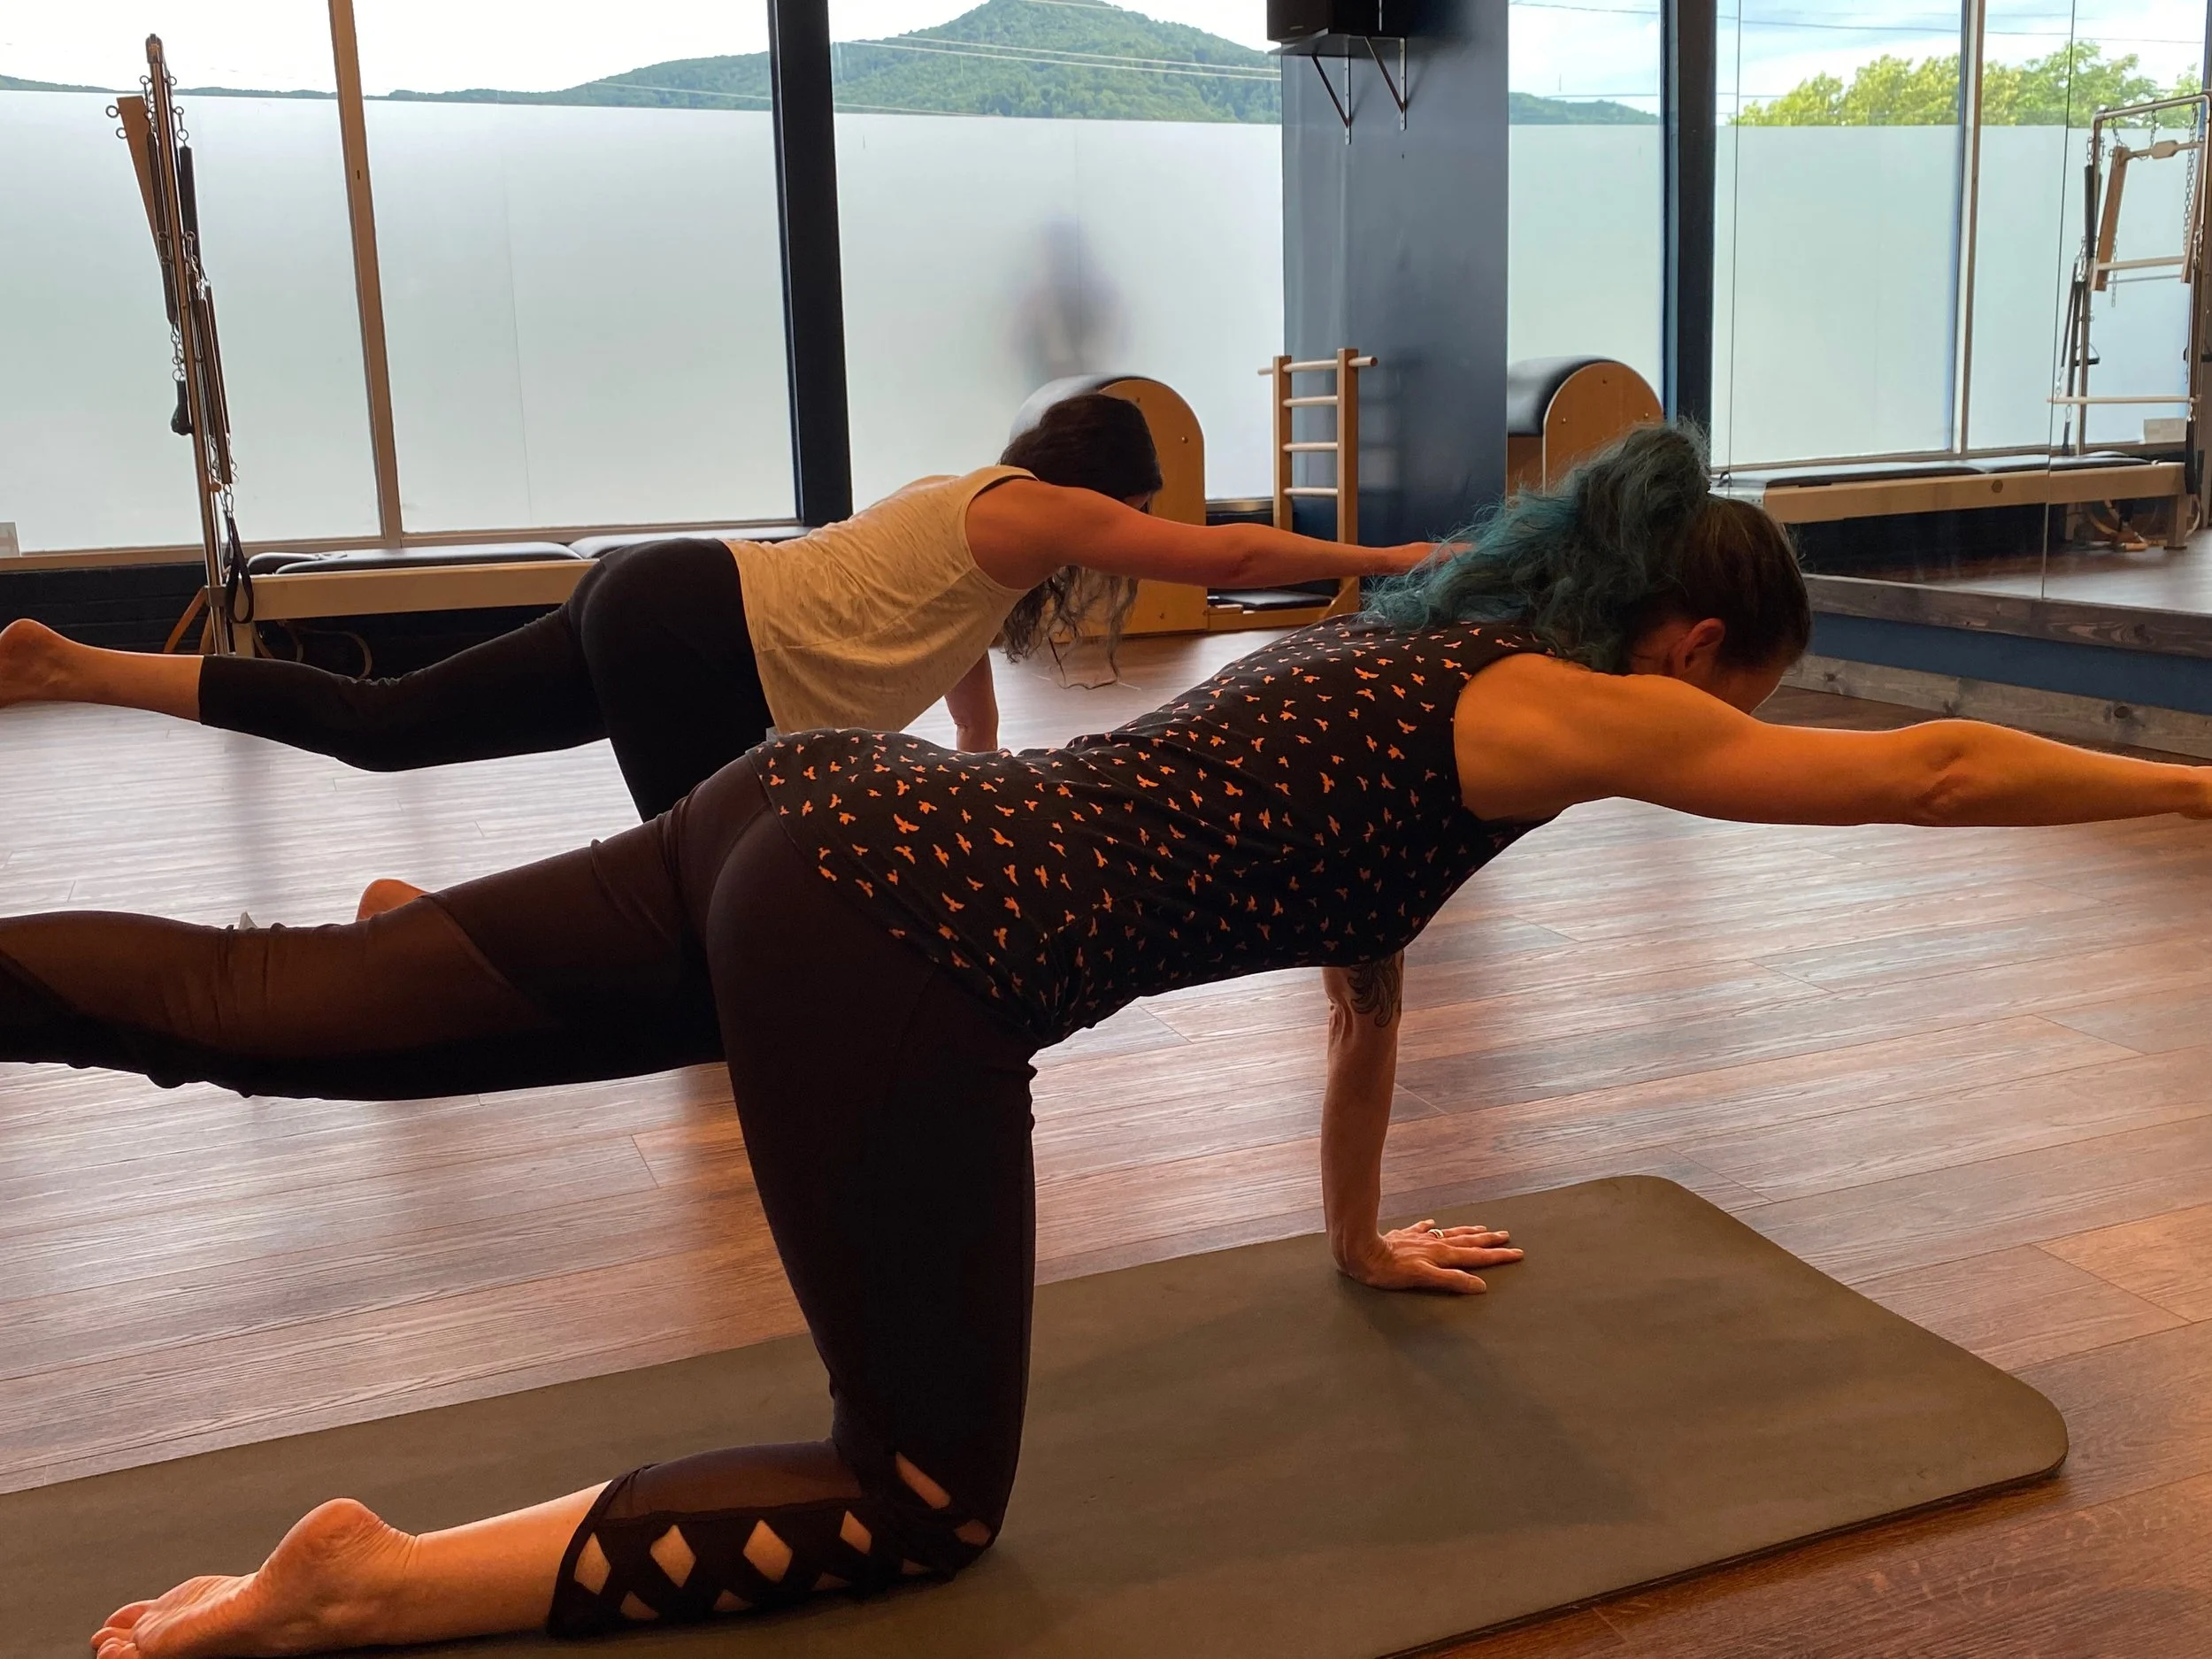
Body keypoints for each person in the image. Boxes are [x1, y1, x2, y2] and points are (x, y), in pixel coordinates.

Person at [13, 426, 2206, 1658]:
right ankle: (368, 1581)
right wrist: (2195, 791)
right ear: (1692, 642)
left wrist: (1352, 1243)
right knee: (919, 1498)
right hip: (908, 934)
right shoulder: (1559, 706)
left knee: (273, 1006)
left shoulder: (1398, 663)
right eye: (1719, 696)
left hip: (799, 812)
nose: (1703, 740)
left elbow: (1364, 986)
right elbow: (1919, 775)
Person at [0, 394, 1429, 825]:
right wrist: (1383, 565)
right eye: (1135, 507)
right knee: (704, 889)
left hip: (670, 591)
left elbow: (955, 667)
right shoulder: (1033, 509)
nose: (1130, 535)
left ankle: (76, 664)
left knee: (389, 731)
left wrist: (989, 779)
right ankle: (436, 948)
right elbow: (1234, 558)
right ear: (1102, 484)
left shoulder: (977, 522)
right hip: (698, 629)